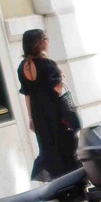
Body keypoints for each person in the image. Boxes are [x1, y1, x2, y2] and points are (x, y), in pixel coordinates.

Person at [17, 29, 77, 181]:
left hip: (38, 114)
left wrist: (30, 117)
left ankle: (56, 181)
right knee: (64, 145)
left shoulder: (23, 67)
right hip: (54, 111)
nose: (48, 41)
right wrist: (61, 75)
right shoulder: (48, 64)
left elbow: (27, 95)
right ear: (40, 43)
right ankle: (70, 180)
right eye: (46, 38)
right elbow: (57, 88)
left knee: (48, 148)